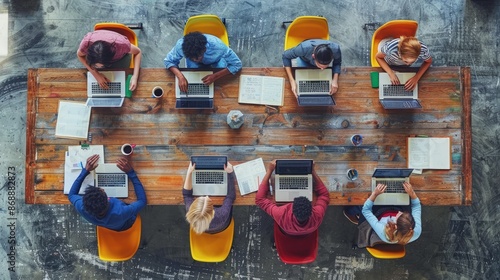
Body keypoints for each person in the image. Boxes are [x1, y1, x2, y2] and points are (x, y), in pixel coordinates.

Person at [68, 154, 147, 231]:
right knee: (132, 211)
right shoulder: (122, 212)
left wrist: (85, 171)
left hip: (112, 226)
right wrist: (131, 173)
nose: (102, 189)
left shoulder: (83, 208)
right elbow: (142, 201)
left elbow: (71, 195)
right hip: (126, 223)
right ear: (108, 199)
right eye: (101, 190)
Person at [255, 160, 330, 236]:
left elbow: (259, 199)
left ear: (292, 207)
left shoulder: (281, 214)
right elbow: (324, 195)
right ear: (311, 209)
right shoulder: (317, 216)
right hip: (303, 233)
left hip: (286, 229)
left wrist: (269, 170)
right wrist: (312, 171)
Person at [344, 182, 422, 245]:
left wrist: (375, 194)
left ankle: (349, 212)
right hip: (390, 211)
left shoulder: (383, 230)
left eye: (399, 216)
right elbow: (416, 206)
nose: (399, 212)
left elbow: (366, 210)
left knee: (362, 202)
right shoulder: (416, 231)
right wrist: (412, 193)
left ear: (394, 225)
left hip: (379, 213)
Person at [164, 31, 242, 93]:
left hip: (216, 61)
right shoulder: (180, 46)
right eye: (192, 58)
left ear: (204, 49)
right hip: (193, 66)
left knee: (220, 84)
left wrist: (215, 76)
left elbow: (237, 64)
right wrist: (180, 76)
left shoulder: (218, 46)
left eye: (198, 57)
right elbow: (169, 61)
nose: (195, 60)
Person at [77, 29, 142, 90]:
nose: (100, 68)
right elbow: (79, 55)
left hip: (119, 51)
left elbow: (138, 52)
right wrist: (96, 74)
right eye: (96, 66)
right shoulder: (86, 43)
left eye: (102, 66)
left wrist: (135, 77)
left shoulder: (122, 45)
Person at [183, 161, 236, 234]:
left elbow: (186, 194)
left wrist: (189, 172)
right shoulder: (222, 215)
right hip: (222, 227)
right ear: (212, 212)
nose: (207, 196)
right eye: (208, 200)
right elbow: (230, 196)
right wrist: (230, 173)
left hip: (203, 229)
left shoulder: (191, 211)